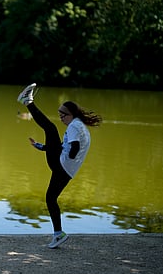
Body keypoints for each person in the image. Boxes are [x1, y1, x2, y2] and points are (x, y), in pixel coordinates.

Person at [17, 83, 102, 248]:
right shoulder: (79, 126)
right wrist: (42, 147)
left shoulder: (74, 126)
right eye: (60, 115)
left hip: (61, 164)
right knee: (50, 199)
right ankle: (58, 234)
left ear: (71, 115)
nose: (62, 118)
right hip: (67, 171)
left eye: (63, 115)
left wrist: (69, 156)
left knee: (50, 128)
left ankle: (28, 101)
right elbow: (66, 147)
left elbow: (74, 147)